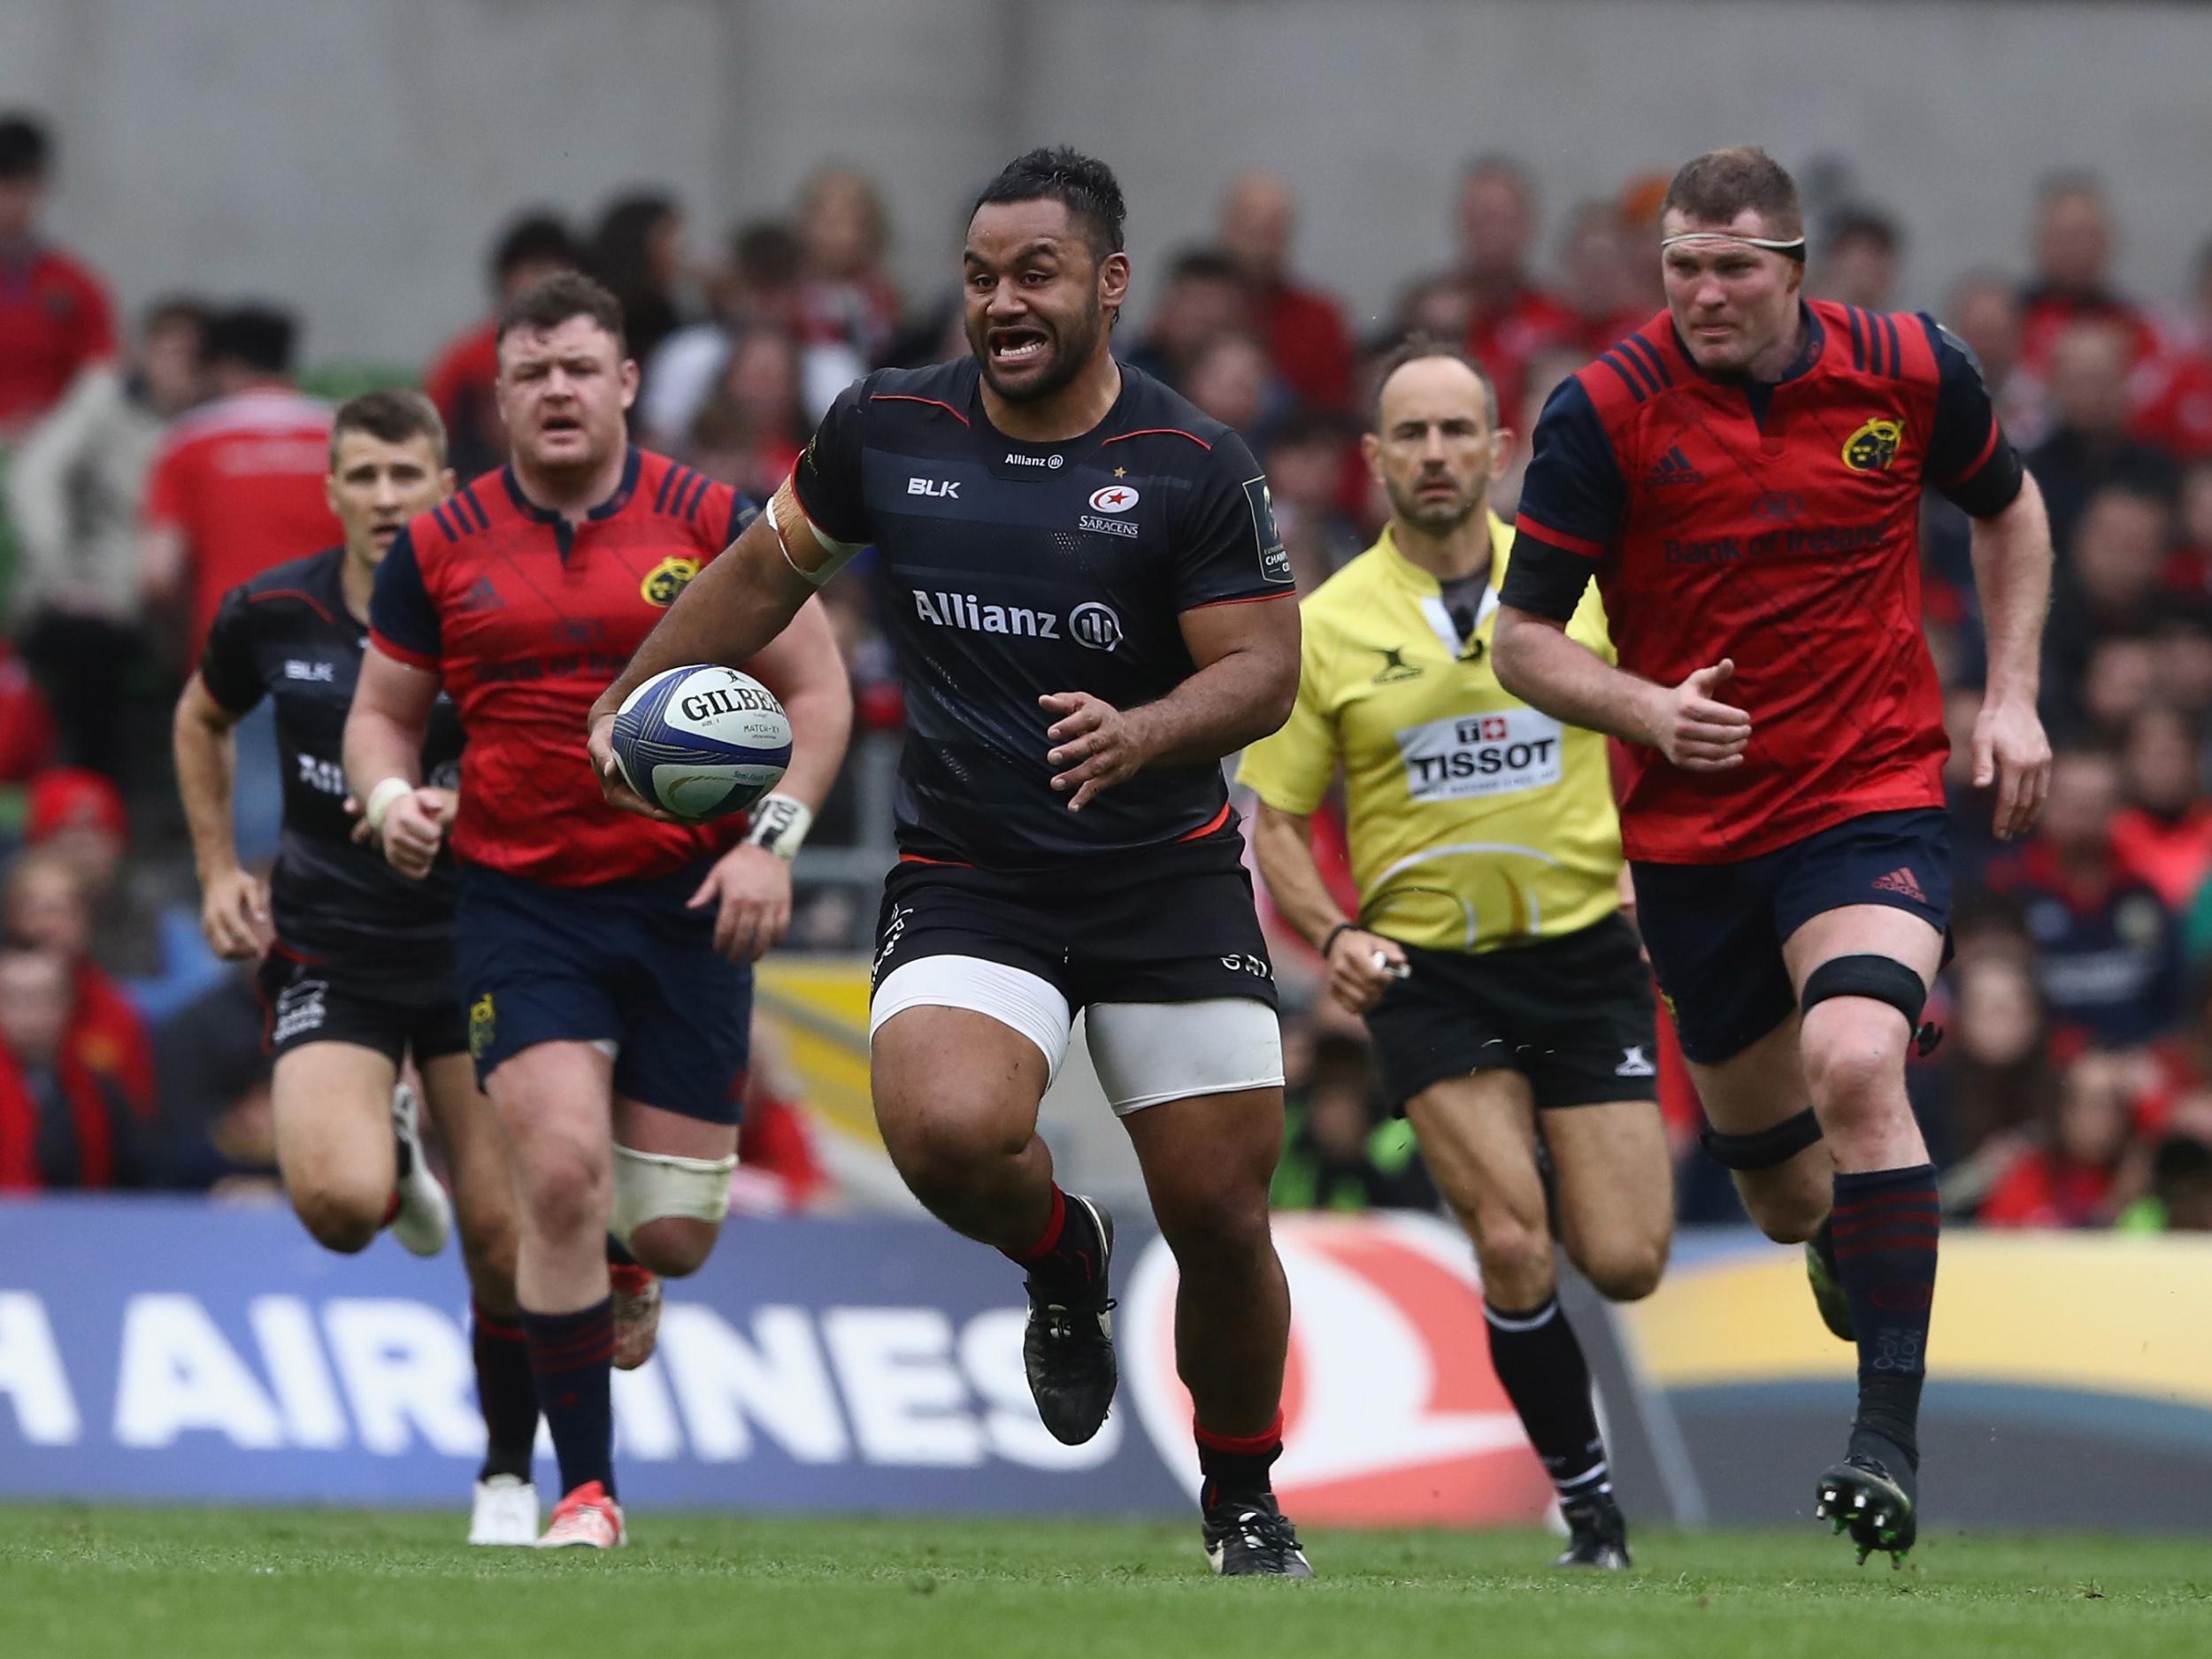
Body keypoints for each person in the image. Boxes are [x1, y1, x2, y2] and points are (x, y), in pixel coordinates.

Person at [588, 147, 1313, 1578]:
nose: (1002, 304)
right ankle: (1061, 1257)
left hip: (1164, 870)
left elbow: (1268, 670)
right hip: (975, 869)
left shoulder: (1191, 465)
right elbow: (757, 573)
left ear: (1110, 283)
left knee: (1224, 1216)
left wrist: (1148, 726)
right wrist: (631, 698)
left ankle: (1242, 1502)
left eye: (1034, 274)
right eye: (981, 277)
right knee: (939, 1132)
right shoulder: (884, 428)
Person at [1493, 146, 2055, 1563]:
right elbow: (1521, 638)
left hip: (1866, 792)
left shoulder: (1912, 369)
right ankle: (1830, 1235)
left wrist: (2010, 695)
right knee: (1785, 1183)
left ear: (1795, 268)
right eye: (1682, 266)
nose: (1704, 293)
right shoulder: (1605, 409)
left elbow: (2011, 507)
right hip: (1692, 838)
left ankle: (1886, 1445)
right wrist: (1644, 708)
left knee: (1862, 1061)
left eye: (1734, 266)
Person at [347, 273, 850, 1550]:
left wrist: (770, 847)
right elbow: (380, 715)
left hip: (690, 905)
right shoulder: (440, 542)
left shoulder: (713, 521)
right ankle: (586, 1490)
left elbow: (822, 695)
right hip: (522, 905)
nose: (558, 390)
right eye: (533, 372)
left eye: (581, 367)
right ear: (499, 393)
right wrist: (394, 795)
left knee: (671, 1233)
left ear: (627, 382)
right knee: (558, 1174)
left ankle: (634, 1265)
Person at [1240, 340, 1670, 1571]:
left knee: (1630, 1258)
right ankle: (1588, 1503)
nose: (1435, 454)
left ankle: (1586, 1488)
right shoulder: (1325, 627)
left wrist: (1666, 871)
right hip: (1434, 974)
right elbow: (1275, 822)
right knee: (1514, 1237)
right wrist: (1335, 935)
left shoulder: (1583, 593)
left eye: (1456, 431)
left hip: (1585, 955)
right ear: (1374, 460)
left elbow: (1665, 734)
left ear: (1500, 448)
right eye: (1410, 435)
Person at [172, 389, 541, 1546]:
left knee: (498, 1230)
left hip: (476, 942)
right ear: (332, 489)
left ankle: (505, 1477)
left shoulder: (498, 607)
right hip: (333, 938)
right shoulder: (270, 610)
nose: (386, 496)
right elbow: (199, 717)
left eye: (407, 474)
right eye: (365, 475)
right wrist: (219, 867)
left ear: (447, 485)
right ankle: (387, 1147)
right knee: (337, 1209)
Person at [8, 296, 207, 776]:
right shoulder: (104, 398)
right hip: (100, 585)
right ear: (143, 353)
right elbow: (34, 476)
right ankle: (93, 795)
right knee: (83, 642)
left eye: (191, 357)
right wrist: (57, 571)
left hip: (192, 594)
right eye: (167, 353)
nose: (178, 369)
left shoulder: (220, 421)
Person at [142, 303, 336, 659]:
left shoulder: (187, 442)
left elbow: (160, 574)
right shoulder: (345, 435)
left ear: (223, 368)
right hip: (337, 653)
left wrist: (175, 649)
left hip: (230, 654)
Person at [424, 211, 579, 480]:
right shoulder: (469, 360)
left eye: (559, 272)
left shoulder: (590, 355)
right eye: (536, 270)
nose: (548, 283)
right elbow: (429, 439)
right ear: (507, 277)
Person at [0, 112, 116, 440]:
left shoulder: (75, 285)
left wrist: (52, 432)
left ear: (40, 185)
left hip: (49, 446)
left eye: (22, 184)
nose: (10, 199)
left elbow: (100, 378)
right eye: (5, 183)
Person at [1216, 172, 1353, 411]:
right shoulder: (1196, 312)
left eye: (1272, 229)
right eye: (1250, 226)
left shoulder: (1319, 320)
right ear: (1226, 226)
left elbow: (1333, 411)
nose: (1260, 244)